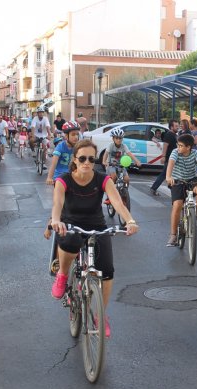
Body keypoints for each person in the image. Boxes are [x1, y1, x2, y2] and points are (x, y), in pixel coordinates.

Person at [50, 139, 139, 337]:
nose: (87, 162)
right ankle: (63, 275)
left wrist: (130, 221)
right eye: (82, 158)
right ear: (75, 159)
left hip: (96, 225)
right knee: (70, 241)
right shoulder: (64, 180)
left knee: (107, 270)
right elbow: (57, 203)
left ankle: (100, 314)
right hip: (70, 223)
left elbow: (117, 202)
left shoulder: (102, 179)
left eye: (91, 158)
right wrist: (57, 220)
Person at [165, 134, 197, 246]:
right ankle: (173, 235)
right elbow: (170, 165)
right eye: (178, 145)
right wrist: (168, 177)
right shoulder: (175, 152)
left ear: (188, 147)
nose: (178, 147)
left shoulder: (195, 153)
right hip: (177, 181)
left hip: (193, 180)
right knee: (177, 205)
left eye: (181, 146)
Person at [149, 119, 178, 196]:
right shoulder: (169, 135)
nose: (177, 127)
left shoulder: (174, 135)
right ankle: (154, 188)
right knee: (165, 174)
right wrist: (163, 156)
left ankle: (172, 189)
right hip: (169, 158)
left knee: (168, 174)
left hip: (173, 158)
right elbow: (165, 145)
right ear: (171, 127)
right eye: (176, 126)